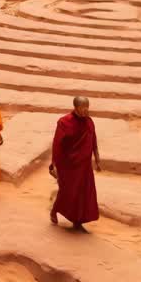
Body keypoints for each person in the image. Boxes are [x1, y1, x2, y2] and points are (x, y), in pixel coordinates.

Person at [49, 96, 100, 233]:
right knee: (67, 192)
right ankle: (54, 210)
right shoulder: (64, 122)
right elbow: (57, 144)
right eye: (83, 107)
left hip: (84, 166)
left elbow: (93, 140)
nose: (86, 110)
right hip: (68, 165)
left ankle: (78, 221)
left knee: (84, 193)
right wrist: (54, 164)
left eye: (87, 107)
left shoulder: (89, 122)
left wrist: (97, 159)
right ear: (76, 107)